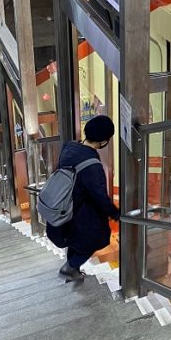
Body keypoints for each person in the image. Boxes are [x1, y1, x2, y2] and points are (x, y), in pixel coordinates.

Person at [47, 115, 120, 281]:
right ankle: (71, 267)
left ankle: (73, 268)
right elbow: (99, 195)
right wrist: (114, 213)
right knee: (94, 239)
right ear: (103, 141)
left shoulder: (70, 148)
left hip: (66, 204)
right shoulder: (92, 164)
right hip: (81, 210)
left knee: (75, 239)